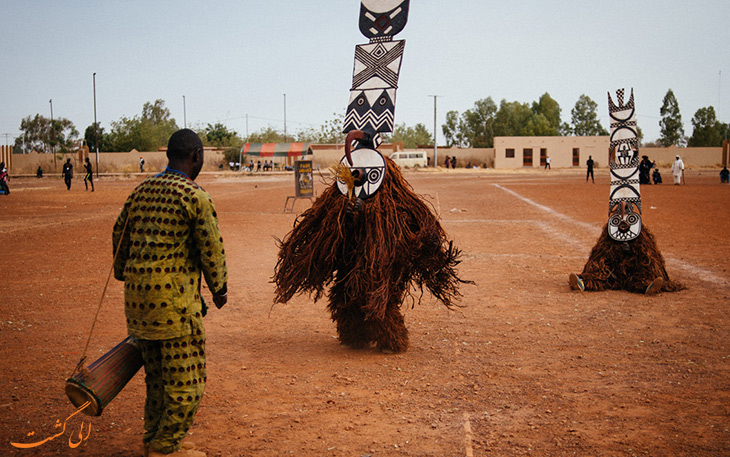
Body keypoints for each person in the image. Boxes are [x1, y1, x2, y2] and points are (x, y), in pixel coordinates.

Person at [112, 129, 228, 457]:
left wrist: (126, 273)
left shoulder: (141, 191)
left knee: (157, 380)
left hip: (138, 305)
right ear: (196, 157)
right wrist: (219, 290)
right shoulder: (194, 196)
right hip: (174, 308)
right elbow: (211, 247)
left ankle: (154, 438)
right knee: (186, 384)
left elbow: (119, 235)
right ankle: (165, 448)